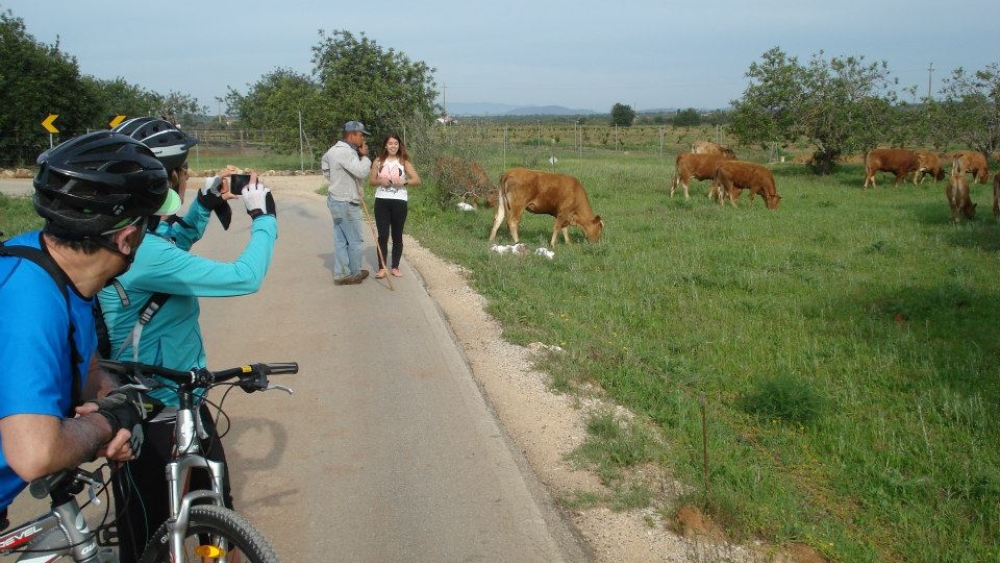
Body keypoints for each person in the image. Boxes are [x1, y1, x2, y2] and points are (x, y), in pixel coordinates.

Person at [99, 118, 278, 563]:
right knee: (152, 539)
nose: (187, 177)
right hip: (152, 411)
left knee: (215, 518)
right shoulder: (146, 252)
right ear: (164, 177)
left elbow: (172, 238)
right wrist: (264, 219)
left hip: (184, 402)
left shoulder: (131, 231)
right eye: (183, 172)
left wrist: (203, 203)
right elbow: (245, 277)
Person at [0, 131, 178, 524]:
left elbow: (89, 369)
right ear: (128, 237)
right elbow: (35, 454)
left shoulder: (57, 274)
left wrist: (118, 403)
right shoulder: (30, 301)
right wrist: (107, 422)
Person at [322, 120, 372, 285]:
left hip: (336, 199)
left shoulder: (332, 151)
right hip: (346, 203)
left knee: (341, 239)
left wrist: (339, 182)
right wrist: (364, 157)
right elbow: (360, 172)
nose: (362, 139)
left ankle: (342, 273)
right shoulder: (345, 152)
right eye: (361, 135)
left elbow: (326, 171)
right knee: (355, 240)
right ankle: (354, 273)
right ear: (352, 135)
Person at [368, 132, 421, 279]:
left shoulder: (404, 161)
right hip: (382, 201)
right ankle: (381, 267)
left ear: (399, 145)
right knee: (383, 235)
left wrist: (404, 182)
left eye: (396, 144)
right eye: (390, 143)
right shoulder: (378, 161)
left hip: (399, 201)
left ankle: (395, 267)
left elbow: (417, 180)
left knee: (397, 235)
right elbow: (371, 181)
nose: (393, 146)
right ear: (385, 145)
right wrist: (380, 181)